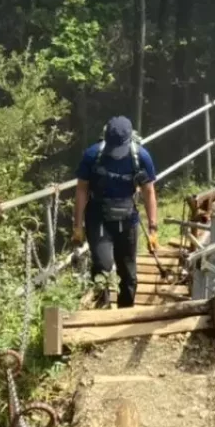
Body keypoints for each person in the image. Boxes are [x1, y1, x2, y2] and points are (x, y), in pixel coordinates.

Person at [72, 116, 160, 308]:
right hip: (98, 217)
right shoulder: (92, 156)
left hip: (127, 219)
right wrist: (77, 226)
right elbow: (81, 189)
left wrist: (153, 228)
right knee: (103, 266)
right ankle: (102, 307)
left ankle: (125, 311)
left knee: (129, 274)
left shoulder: (141, 158)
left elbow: (148, 191)